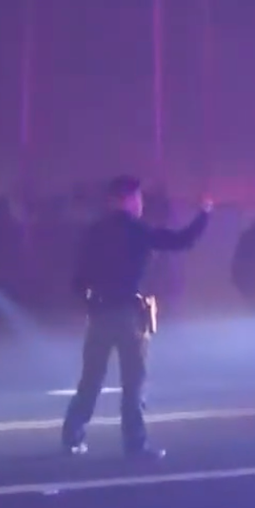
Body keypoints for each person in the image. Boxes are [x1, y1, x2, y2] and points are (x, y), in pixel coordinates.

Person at [59, 176, 212, 460]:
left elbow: (78, 280)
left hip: (100, 315)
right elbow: (181, 241)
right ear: (126, 200)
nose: (140, 204)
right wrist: (204, 213)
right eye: (137, 199)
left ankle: (72, 436)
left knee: (91, 380)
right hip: (129, 315)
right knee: (133, 383)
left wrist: (91, 301)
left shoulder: (94, 232)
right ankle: (135, 444)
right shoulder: (138, 232)